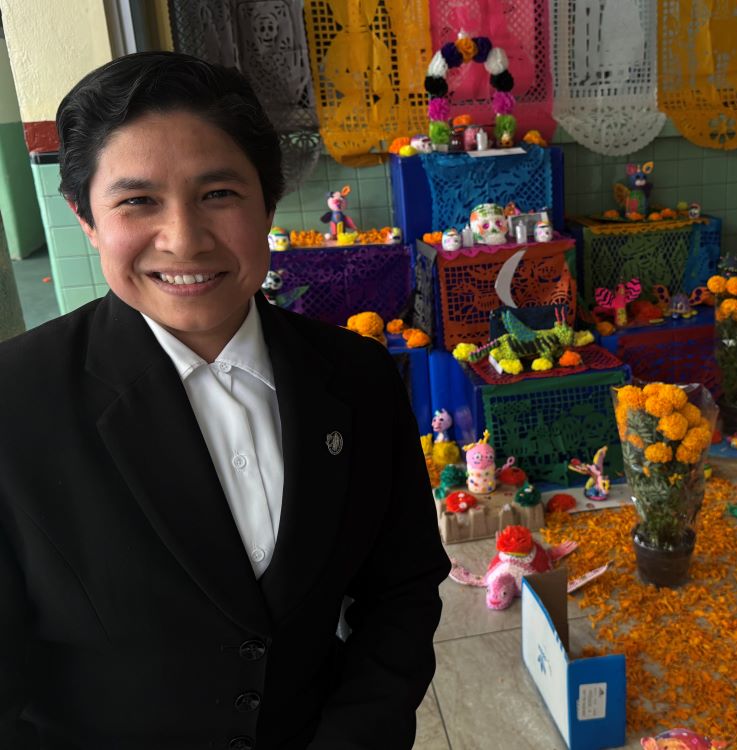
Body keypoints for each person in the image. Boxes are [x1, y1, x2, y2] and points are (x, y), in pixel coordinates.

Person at [0, 51, 450, 749]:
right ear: (85, 218)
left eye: (218, 194)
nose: (183, 239)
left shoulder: (356, 378)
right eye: (137, 201)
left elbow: (403, 585)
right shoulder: (17, 403)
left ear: (267, 200)